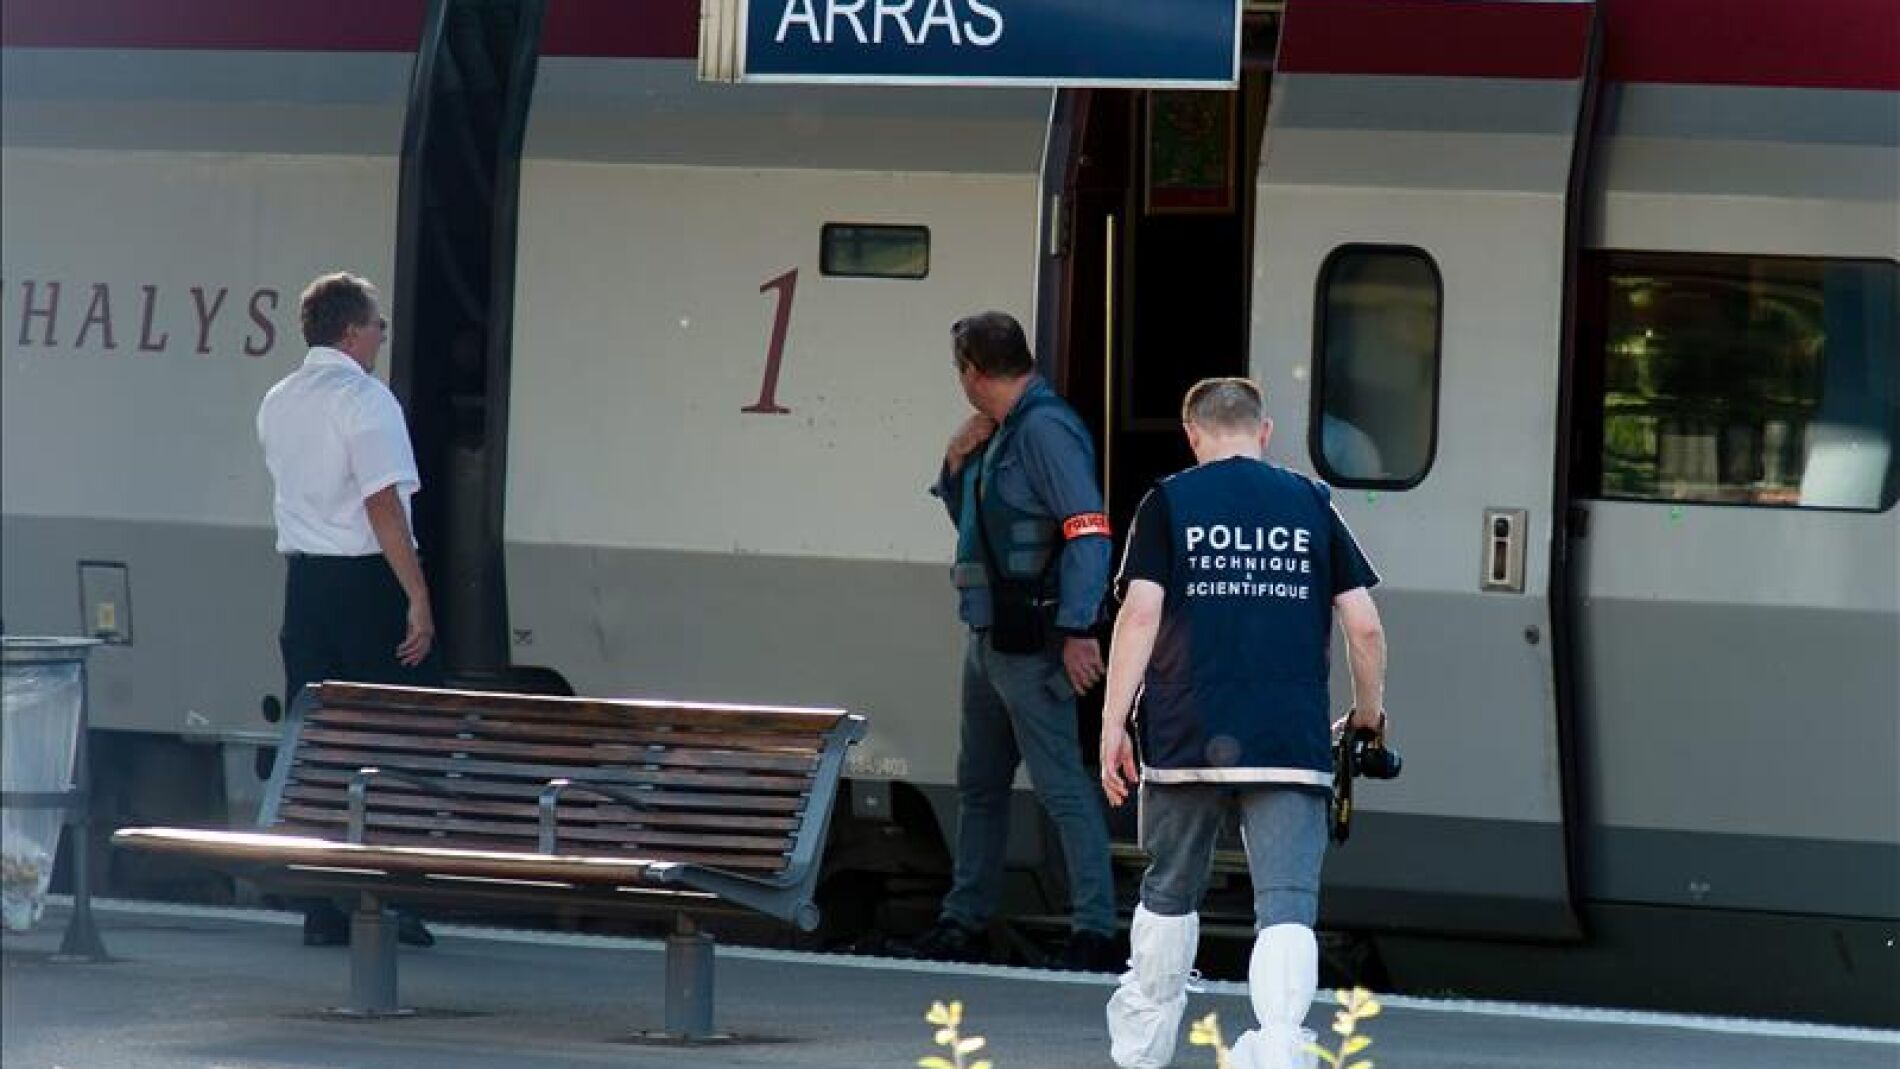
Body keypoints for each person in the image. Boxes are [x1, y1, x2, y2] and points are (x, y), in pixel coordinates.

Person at [1098, 378, 1388, 1069]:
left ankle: (1142, 1050)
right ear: (1265, 431)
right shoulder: (1312, 503)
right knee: (1287, 904)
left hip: (1184, 730)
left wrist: (1112, 722)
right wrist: (1369, 715)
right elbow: (1366, 626)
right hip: (1289, 737)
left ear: (1192, 433)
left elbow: (1138, 615)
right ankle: (1283, 1050)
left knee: (1169, 890)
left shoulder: (1168, 501)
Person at [902, 311, 1119, 971]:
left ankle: (1096, 930)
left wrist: (1078, 626)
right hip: (990, 634)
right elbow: (979, 524)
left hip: (1032, 640)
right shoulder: (1002, 432)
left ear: (972, 370)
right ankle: (963, 919)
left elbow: (1089, 529)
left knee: (1060, 785)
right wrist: (955, 460)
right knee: (981, 783)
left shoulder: (1045, 431)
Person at [257, 271, 442, 948]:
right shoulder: (367, 401)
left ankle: (324, 904)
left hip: (304, 589)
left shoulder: (279, 399)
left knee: (319, 744)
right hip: (368, 585)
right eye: (377, 325)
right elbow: (383, 505)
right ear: (352, 331)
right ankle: (383, 897)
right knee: (398, 737)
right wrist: (417, 597)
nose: (382, 335)